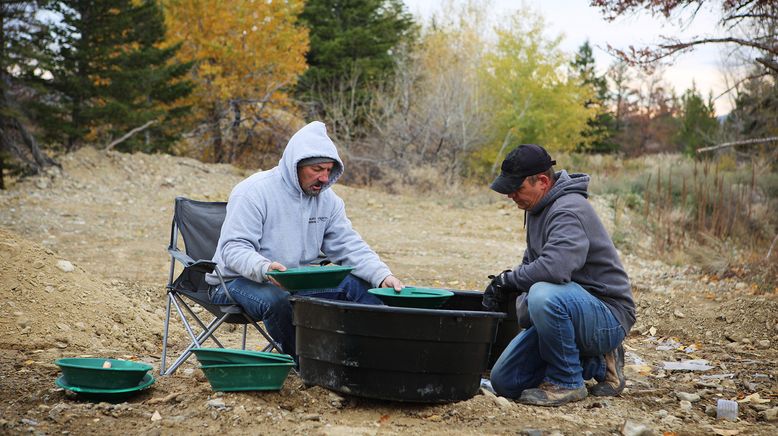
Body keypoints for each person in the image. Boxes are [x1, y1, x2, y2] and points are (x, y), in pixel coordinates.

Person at [205, 121, 403, 357]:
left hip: (295, 281)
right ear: (295, 165)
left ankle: (376, 357)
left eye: (329, 170)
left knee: (360, 286)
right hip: (235, 281)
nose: (324, 178)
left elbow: (349, 245)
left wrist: (382, 276)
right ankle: (309, 364)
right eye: (317, 169)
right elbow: (233, 248)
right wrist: (265, 268)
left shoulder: (329, 201)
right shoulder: (254, 191)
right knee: (278, 300)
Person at [482, 144, 635, 406]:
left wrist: (508, 280)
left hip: (608, 315)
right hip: (571, 311)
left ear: (542, 181)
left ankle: (566, 381)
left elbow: (554, 269)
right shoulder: (536, 209)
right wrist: (519, 300)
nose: (510, 195)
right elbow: (531, 265)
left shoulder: (568, 210)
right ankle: (598, 364)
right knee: (504, 380)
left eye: (516, 188)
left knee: (543, 294)